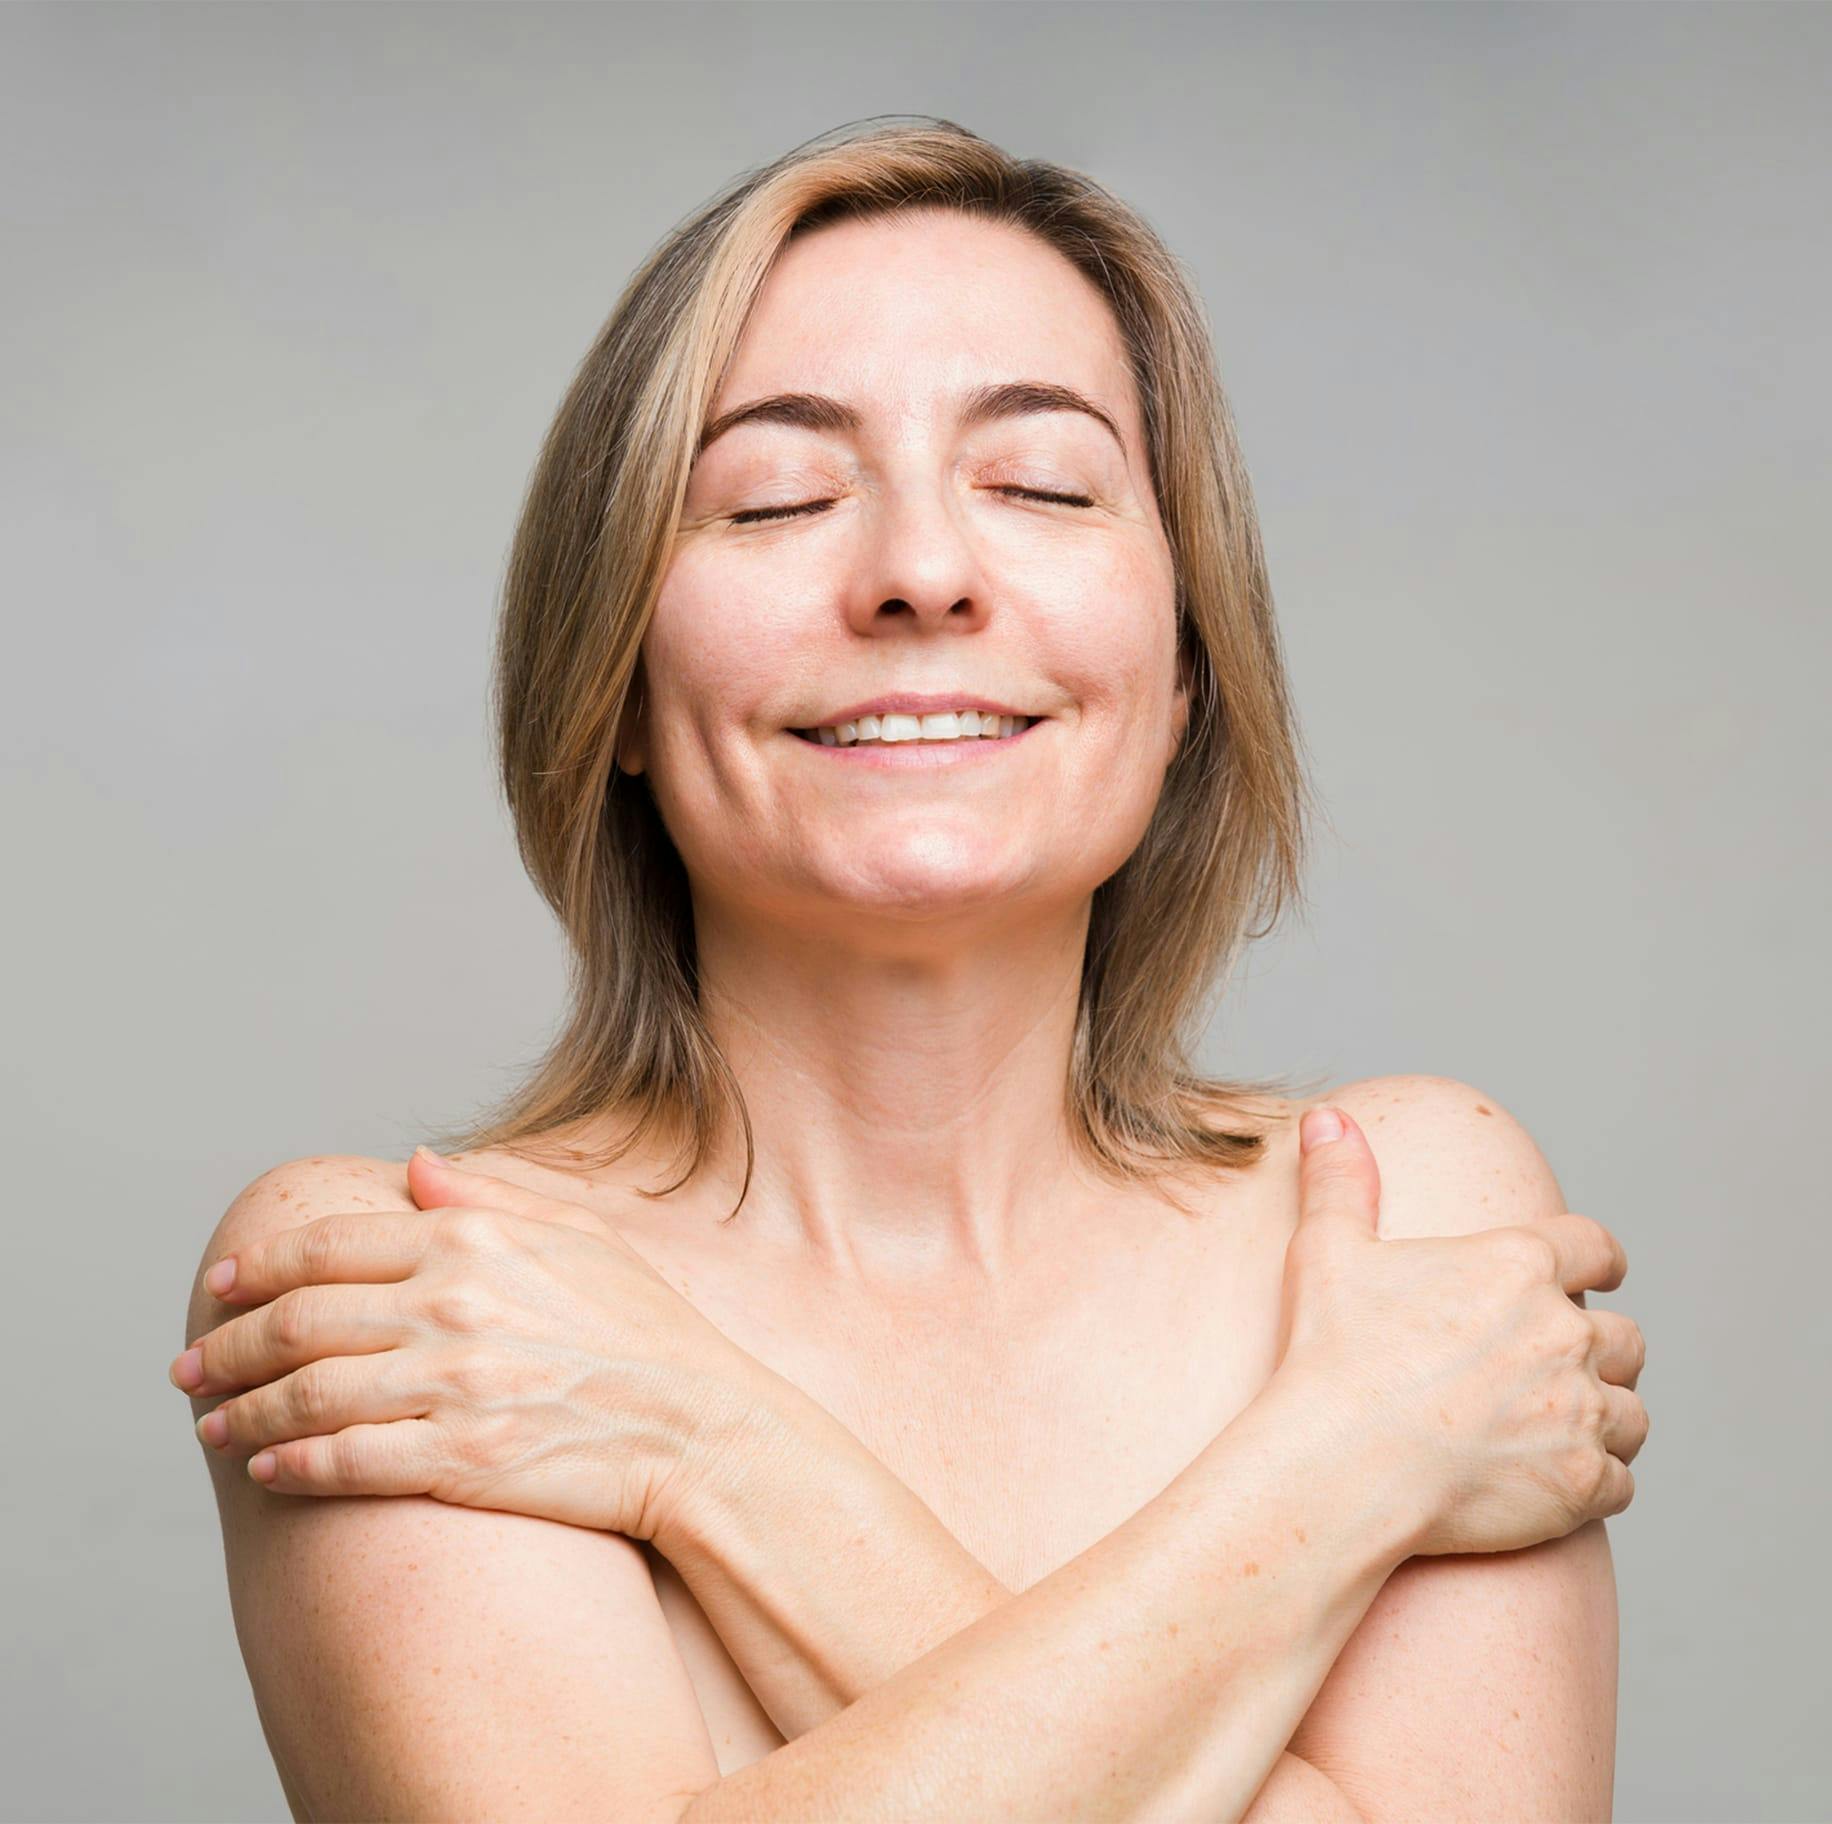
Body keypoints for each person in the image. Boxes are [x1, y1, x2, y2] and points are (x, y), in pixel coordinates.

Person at [173, 118, 1648, 1821]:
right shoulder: (418, 1285)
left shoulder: (1407, 1216)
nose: (923, 575)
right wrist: (1350, 1462)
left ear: (1181, 668)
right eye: (777, 497)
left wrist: (703, 1446)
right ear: (619, 677)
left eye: (1040, 484)